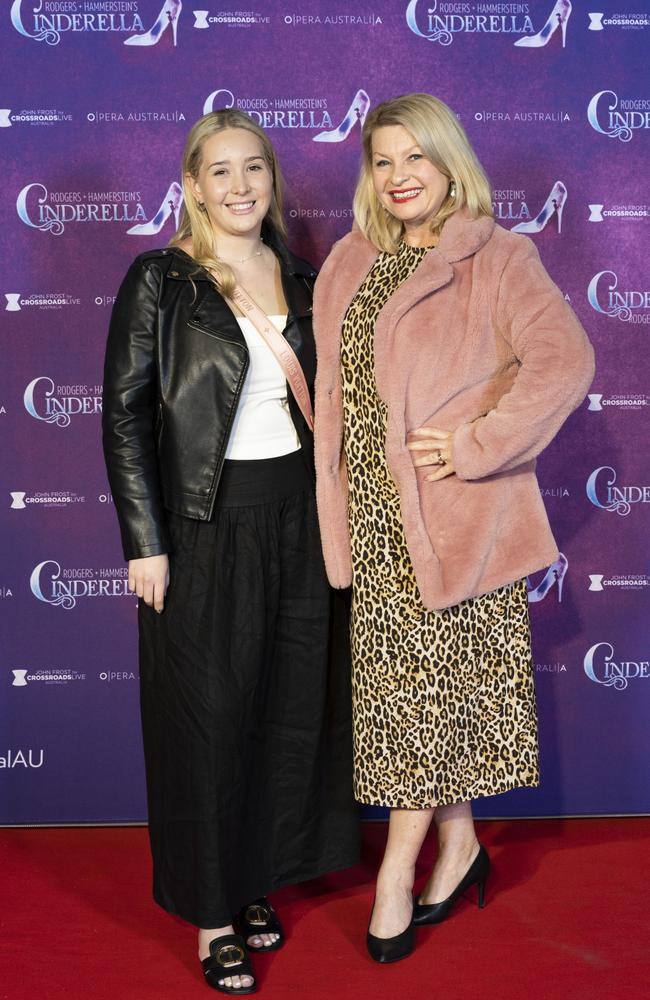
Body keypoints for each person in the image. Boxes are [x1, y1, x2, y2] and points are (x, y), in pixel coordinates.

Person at [312, 93, 594, 963]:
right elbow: (338, 392)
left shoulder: (497, 255)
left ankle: (399, 868)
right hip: (373, 522)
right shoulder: (350, 260)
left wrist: (478, 444)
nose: (398, 177)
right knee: (419, 704)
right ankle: (462, 841)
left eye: (415, 159)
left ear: (448, 163)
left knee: (423, 707)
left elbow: (565, 360)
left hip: (456, 525)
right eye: (383, 161)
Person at [102, 109, 358, 994]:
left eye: (255, 168)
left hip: (298, 521)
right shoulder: (160, 281)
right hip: (205, 528)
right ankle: (215, 916)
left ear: (272, 182)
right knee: (207, 724)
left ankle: (257, 882)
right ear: (192, 186)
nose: (241, 185)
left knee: (287, 712)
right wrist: (146, 540)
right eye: (221, 171)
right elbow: (126, 416)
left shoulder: (303, 273)